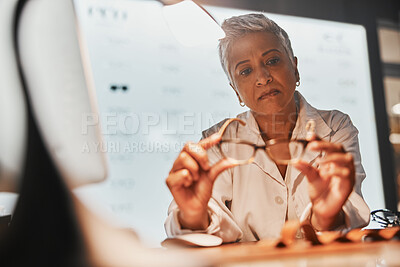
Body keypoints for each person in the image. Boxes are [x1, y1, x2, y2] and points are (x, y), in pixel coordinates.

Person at [164, 13, 370, 243]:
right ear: (235, 90)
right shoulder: (217, 140)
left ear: (295, 67)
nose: (262, 78)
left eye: (272, 61)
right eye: (245, 71)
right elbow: (205, 223)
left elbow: (349, 208)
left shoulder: (336, 127)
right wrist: (194, 215)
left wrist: (327, 215)